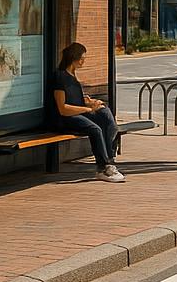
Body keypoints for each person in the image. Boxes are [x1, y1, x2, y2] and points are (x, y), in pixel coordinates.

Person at [51, 43, 124, 183]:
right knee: (95, 129)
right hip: (65, 118)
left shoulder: (73, 76)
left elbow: (76, 100)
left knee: (105, 115)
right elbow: (63, 108)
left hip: (78, 113)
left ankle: (109, 161)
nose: (84, 61)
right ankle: (103, 167)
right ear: (74, 58)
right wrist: (88, 109)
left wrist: (92, 103)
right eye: (82, 58)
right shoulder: (59, 78)